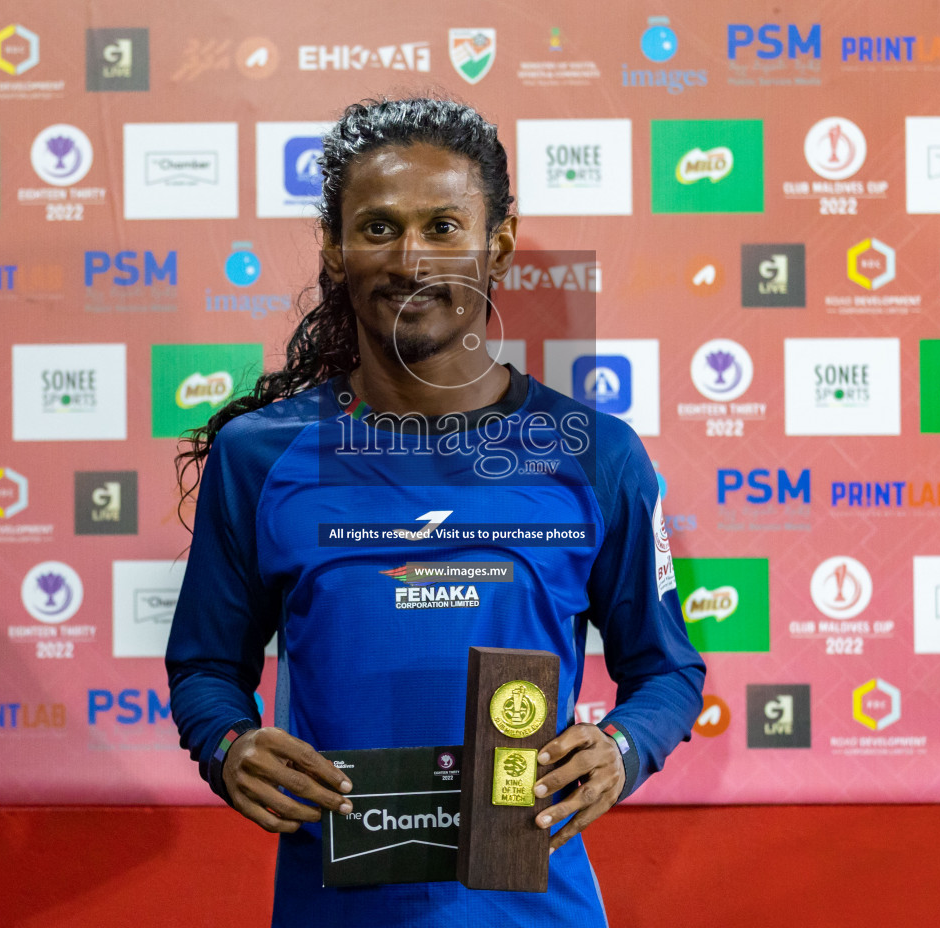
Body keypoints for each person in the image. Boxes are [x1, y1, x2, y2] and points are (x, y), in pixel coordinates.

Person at [167, 97, 704, 926]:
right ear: (334, 251)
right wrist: (229, 747)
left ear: (499, 241)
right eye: (378, 228)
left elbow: (667, 672)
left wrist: (621, 752)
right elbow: (205, 668)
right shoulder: (259, 457)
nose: (411, 258)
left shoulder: (596, 454)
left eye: (444, 225)